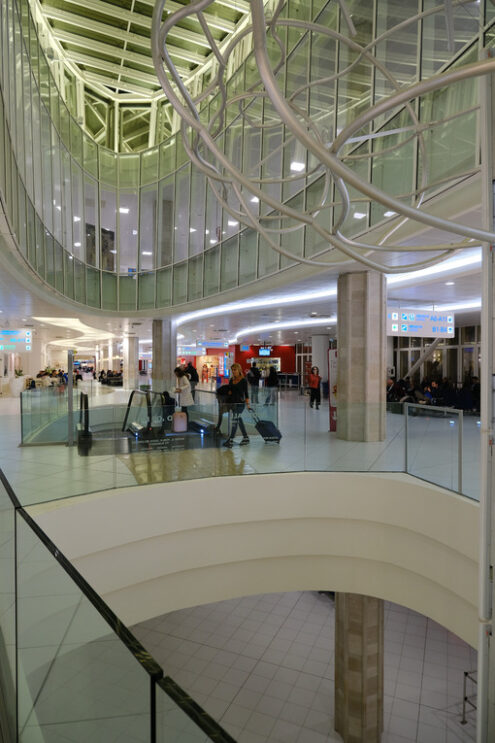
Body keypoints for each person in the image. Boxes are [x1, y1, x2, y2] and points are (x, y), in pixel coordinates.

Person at [223, 362, 250, 447]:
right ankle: (246, 437)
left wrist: (248, 404)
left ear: (239, 370)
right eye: (232, 370)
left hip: (240, 404)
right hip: (233, 403)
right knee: (238, 419)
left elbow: (246, 393)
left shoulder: (243, 380)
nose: (233, 371)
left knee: (235, 420)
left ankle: (231, 439)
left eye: (235, 370)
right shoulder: (231, 380)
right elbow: (230, 391)